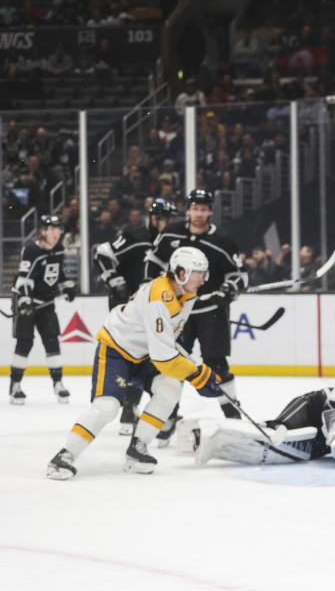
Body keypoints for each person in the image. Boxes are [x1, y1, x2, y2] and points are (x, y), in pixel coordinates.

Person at [46, 247, 224, 480]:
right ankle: (64, 456)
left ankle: (137, 450)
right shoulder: (160, 298)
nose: (203, 280)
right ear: (180, 272)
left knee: (170, 389)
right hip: (116, 350)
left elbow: (168, 338)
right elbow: (164, 357)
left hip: (145, 353)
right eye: (198, 274)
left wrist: (194, 368)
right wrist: (196, 376)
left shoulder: (186, 294)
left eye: (204, 273)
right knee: (107, 407)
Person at [190, 356, 335, 465]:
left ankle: (218, 443)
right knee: (275, 432)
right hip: (316, 407)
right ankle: (206, 432)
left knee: (279, 453)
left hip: (329, 441)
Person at [145, 188, 248, 422]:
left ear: (210, 211)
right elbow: (153, 261)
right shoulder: (171, 234)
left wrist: (228, 289)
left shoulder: (223, 240)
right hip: (178, 312)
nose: (199, 213)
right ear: (188, 209)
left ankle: (232, 414)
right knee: (174, 365)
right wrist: (150, 287)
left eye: (203, 209)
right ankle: (168, 416)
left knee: (216, 364)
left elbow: (239, 275)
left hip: (211, 312)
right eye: (195, 208)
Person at [94, 198, 178, 434]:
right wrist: (112, 278)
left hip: (150, 312)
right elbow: (102, 253)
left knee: (149, 359)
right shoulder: (136, 236)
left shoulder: (172, 244)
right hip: (125, 308)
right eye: (165, 219)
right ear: (153, 218)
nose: (169, 223)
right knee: (134, 356)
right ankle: (132, 409)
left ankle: (137, 410)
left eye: (172, 219)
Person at [9, 215, 77, 405]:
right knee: (25, 342)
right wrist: (25, 301)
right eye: (51, 230)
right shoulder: (31, 250)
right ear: (43, 232)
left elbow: (58, 272)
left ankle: (58, 384)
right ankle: (15, 385)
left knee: (52, 340)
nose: (55, 234)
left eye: (58, 230)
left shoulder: (59, 249)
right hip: (25, 301)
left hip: (46, 303)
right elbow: (24, 279)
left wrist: (67, 286)